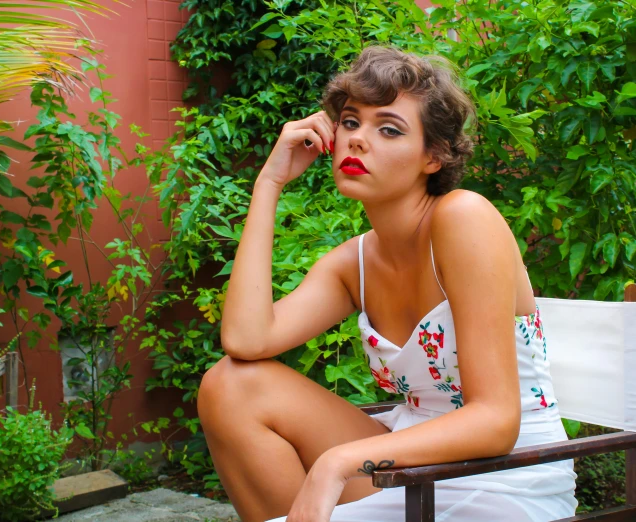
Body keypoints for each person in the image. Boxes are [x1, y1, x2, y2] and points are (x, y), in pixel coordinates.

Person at [197, 45, 578, 522]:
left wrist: (335, 463)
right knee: (230, 386)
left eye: (389, 129)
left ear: (434, 157)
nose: (357, 140)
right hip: (405, 460)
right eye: (351, 122)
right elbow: (246, 341)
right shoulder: (352, 263)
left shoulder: (464, 219)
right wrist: (269, 183)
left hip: (504, 474)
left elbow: (497, 421)